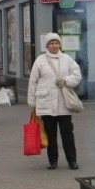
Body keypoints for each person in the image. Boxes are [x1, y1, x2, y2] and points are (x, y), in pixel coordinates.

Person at [27, 32, 82, 169]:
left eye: (56, 43)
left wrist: (65, 80)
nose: (54, 46)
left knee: (67, 134)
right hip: (46, 103)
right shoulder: (40, 60)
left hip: (64, 103)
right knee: (50, 135)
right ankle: (53, 161)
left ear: (60, 44)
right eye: (51, 43)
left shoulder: (67, 59)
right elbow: (33, 82)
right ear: (47, 45)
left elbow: (77, 75)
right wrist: (32, 102)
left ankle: (72, 160)